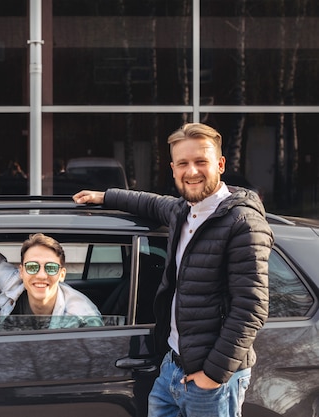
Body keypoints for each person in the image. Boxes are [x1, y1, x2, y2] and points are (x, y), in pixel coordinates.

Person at [73, 122, 273, 417]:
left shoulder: (242, 223)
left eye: (201, 162)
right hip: (172, 368)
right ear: (173, 168)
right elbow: (152, 203)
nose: (191, 171)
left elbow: (252, 307)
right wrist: (105, 196)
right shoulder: (184, 210)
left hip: (210, 380)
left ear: (219, 164)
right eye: (183, 163)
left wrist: (212, 376)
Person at [0, 233, 103, 328]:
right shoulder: (11, 282)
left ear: (62, 274)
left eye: (51, 268)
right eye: (32, 267)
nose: (41, 275)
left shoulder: (83, 319)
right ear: (21, 272)